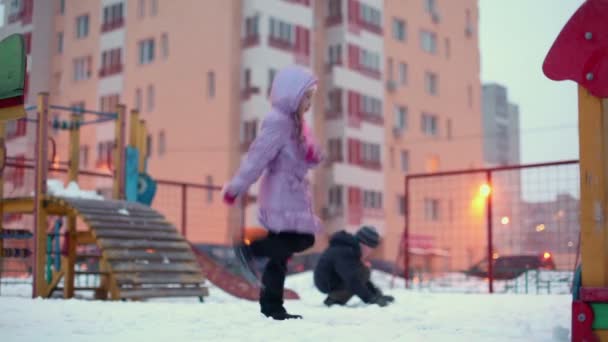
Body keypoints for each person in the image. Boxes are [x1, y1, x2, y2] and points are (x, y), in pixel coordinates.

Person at [222, 65, 323, 320]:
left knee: (280, 257)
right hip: (280, 195)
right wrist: (236, 187)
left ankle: (272, 307)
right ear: (292, 95)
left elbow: (305, 157)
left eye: (312, 97)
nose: (309, 103)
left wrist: (312, 154)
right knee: (303, 240)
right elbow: (258, 157)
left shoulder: (297, 125)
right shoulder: (278, 122)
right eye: (306, 97)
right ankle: (252, 248)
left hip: (294, 195)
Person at [313, 226, 395, 307]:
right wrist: (370, 298)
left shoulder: (350, 248)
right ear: (362, 243)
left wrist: (376, 295)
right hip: (326, 282)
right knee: (363, 271)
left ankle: (336, 298)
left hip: (333, 278)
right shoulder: (345, 251)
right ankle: (333, 300)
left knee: (362, 270)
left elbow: (359, 278)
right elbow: (353, 279)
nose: (368, 252)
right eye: (368, 248)